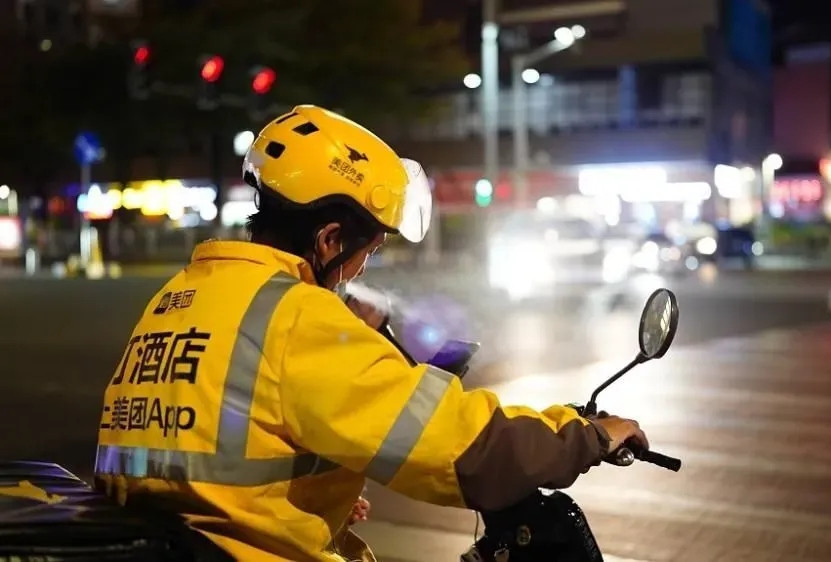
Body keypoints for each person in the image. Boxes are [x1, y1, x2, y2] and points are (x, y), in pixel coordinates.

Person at [93, 105, 648, 562]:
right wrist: (586, 435)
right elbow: (454, 446)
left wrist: (319, 493)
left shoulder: (182, 297)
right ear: (330, 240)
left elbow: (204, 444)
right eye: (369, 251)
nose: (363, 270)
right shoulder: (296, 317)